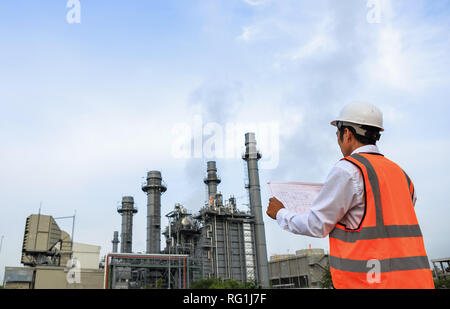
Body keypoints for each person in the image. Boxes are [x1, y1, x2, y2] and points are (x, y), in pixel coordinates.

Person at [266, 102, 435, 289]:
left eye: (337, 133)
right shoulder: (400, 173)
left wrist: (281, 213)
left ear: (347, 134)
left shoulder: (349, 169)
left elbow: (317, 225)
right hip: (416, 281)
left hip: (371, 283)